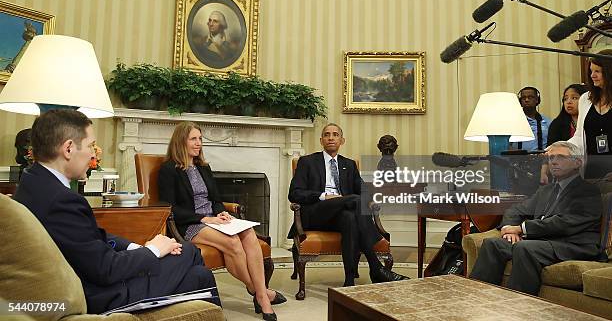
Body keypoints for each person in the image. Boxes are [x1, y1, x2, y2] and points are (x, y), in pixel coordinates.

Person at [13, 110, 217, 314]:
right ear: (68, 148)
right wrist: (152, 251)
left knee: (200, 275)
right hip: (102, 296)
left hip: (89, 279)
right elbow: (106, 269)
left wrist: (135, 247)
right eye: (90, 145)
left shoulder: (33, 183)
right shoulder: (61, 199)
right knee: (190, 252)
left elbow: (87, 238)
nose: (94, 154)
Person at [158, 122, 284, 321]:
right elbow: (170, 207)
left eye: (200, 139)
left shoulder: (203, 167)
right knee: (233, 242)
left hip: (214, 219)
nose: (198, 143)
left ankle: (259, 292)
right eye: (193, 139)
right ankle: (260, 293)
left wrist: (222, 213)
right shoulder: (168, 170)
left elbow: (215, 199)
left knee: (248, 234)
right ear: (181, 141)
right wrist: (204, 218)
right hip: (191, 224)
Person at [469, 141, 603, 295]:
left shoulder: (588, 191)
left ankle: (517, 306)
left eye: (560, 157)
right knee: (493, 243)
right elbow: (516, 210)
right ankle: (477, 297)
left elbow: (564, 223)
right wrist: (508, 229)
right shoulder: (546, 191)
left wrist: (521, 228)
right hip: (544, 241)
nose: (553, 161)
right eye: (551, 157)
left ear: (577, 162)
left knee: (524, 248)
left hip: (573, 244)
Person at [288, 123, 408, 287]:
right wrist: (325, 196)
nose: (331, 138)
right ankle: (376, 268)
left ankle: (349, 281)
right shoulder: (307, 162)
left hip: (340, 216)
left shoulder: (349, 165)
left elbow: (364, 191)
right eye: (327, 134)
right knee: (355, 200)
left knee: (350, 218)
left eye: (335, 135)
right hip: (316, 214)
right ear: (321, 140)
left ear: (342, 140)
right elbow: (294, 193)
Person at [568, 49, 612, 181]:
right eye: (591, 71)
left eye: (597, 71)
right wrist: (561, 147)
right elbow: (579, 136)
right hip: (591, 173)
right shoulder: (585, 99)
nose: (592, 75)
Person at [539, 84, 588, 184]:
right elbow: (550, 150)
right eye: (565, 99)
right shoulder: (557, 124)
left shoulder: (591, 121)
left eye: (574, 98)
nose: (569, 102)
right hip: (565, 173)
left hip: (590, 168)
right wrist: (544, 171)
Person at [517, 86, 551, 151]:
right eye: (523, 98)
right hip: (517, 160)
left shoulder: (548, 123)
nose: (526, 100)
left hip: (541, 159)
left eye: (530, 97)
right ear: (520, 101)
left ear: (537, 100)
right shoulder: (513, 122)